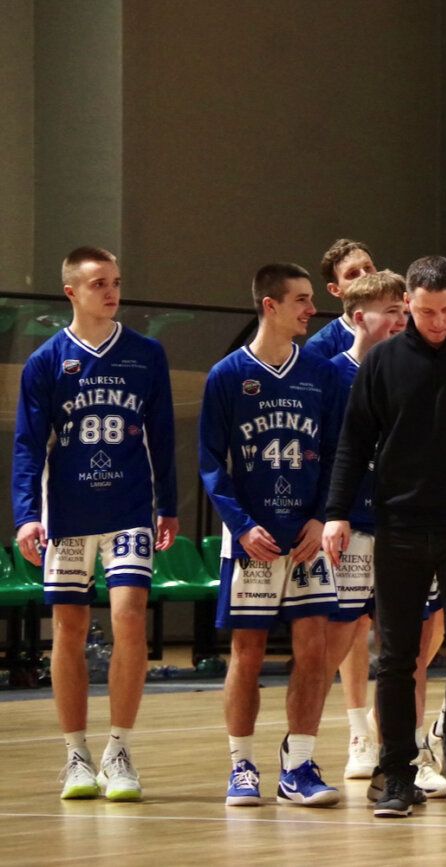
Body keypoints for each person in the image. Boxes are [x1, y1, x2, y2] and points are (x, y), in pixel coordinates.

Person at [322, 255, 446, 818]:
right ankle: (396, 772)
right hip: (401, 526)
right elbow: (354, 442)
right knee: (395, 656)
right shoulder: (382, 361)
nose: (437, 322)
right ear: (407, 303)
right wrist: (337, 512)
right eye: (426, 311)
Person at [13, 246, 178, 802]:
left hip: (129, 508)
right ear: (71, 292)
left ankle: (119, 750)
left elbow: (162, 436)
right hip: (67, 512)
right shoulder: (46, 361)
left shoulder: (146, 354)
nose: (111, 292)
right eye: (99, 283)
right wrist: (26, 516)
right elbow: (28, 446)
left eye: (116, 282)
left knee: (129, 616)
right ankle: (76, 754)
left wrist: (168, 503)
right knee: (69, 627)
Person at [199, 263, 341, 808]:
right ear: (270, 305)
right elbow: (211, 463)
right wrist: (240, 525)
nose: (311, 309)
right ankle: (241, 766)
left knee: (314, 649)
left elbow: (337, 454)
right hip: (251, 536)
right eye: (301, 299)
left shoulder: (321, 374)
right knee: (247, 651)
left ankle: (298, 766)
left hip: (306, 535)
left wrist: (321, 517)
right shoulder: (227, 375)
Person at [321, 270, 408, 779]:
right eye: (391, 311)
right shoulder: (331, 374)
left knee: (410, 632)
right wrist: (328, 514)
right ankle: (355, 732)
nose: (401, 320)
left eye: (404, 311)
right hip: (351, 520)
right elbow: (327, 452)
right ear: (358, 317)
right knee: (346, 629)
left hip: (401, 521)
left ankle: (396, 735)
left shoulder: (410, 369)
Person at [304, 238, 377, 358]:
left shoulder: (402, 324)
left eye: (368, 268)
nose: (365, 276)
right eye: (353, 274)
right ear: (335, 289)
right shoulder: (320, 346)